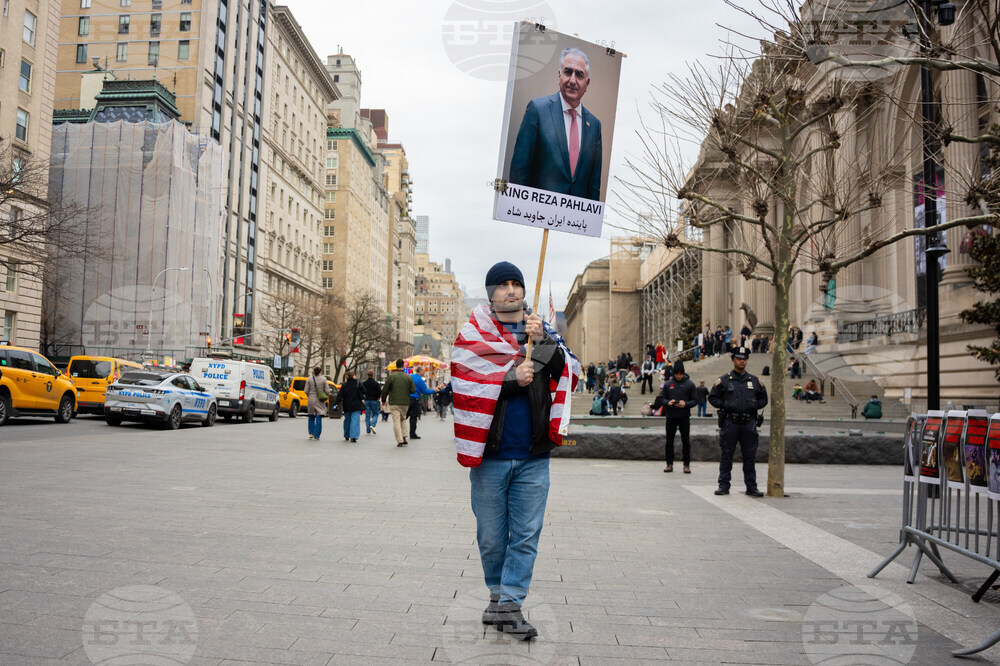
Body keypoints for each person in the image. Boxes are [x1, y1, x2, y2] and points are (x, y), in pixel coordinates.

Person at [451, 261, 579, 641]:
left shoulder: (540, 331)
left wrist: (545, 343)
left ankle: (510, 602)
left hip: (533, 456)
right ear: (490, 293)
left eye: (516, 284)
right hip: (491, 454)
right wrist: (510, 379)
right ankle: (496, 595)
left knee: (525, 534)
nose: (511, 290)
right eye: (503, 285)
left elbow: (570, 372)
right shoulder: (473, 333)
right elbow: (464, 378)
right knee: (491, 535)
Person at [508, 48, 602, 201]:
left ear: (587, 83)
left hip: (574, 220)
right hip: (536, 215)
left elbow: (593, 185)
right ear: (559, 75)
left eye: (579, 75)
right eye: (567, 72)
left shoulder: (594, 125)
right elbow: (520, 171)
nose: (572, 80)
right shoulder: (537, 110)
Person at [708, 346, 768, 497]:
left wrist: (754, 405)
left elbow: (764, 398)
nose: (742, 362)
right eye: (739, 359)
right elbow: (712, 397)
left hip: (748, 423)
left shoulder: (754, 381)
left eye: (744, 359)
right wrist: (726, 405)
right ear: (733, 360)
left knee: (749, 456)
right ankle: (723, 485)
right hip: (731, 422)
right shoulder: (724, 380)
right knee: (726, 455)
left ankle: (751, 486)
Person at [652, 360, 697, 473]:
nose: (678, 376)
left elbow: (695, 400)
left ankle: (686, 464)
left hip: (684, 416)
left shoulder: (690, 384)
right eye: (676, 374)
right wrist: (669, 402)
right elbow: (661, 398)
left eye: (680, 374)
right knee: (669, 441)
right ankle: (669, 464)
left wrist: (685, 404)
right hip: (671, 416)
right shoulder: (668, 384)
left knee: (685, 440)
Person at [380, 359, 416, 447]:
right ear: (403, 366)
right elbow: (413, 390)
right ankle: (404, 437)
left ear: (396, 366)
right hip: (405, 402)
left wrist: (383, 400)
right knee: (403, 419)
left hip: (394, 402)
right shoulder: (408, 377)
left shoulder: (392, 377)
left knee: (396, 420)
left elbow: (385, 390)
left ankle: (399, 440)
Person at [408, 366, 440, 440]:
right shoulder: (420, 380)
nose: (424, 372)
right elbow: (425, 392)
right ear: (419, 371)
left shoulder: (410, 376)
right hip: (415, 399)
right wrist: (434, 390)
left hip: (407, 399)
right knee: (413, 417)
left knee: (404, 417)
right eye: (423, 371)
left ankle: (402, 433)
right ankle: (412, 434)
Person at [335, 370, 364, 442]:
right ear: (353, 376)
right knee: (355, 420)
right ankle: (353, 436)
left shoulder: (344, 385)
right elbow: (364, 390)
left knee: (347, 420)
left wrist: (336, 403)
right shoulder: (357, 383)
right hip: (356, 405)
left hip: (347, 405)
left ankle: (346, 434)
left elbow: (340, 395)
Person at [304, 367, 329, 440]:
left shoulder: (309, 379)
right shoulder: (324, 379)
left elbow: (305, 390)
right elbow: (327, 391)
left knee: (311, 416)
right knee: (318, 416)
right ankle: (317, 435)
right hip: (319, 400)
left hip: (311, 399)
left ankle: (311, 433)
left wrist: (310, 395)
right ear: (320, 372)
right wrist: (323, 395)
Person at [361, 369, 381, 435]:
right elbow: (379, 392)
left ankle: (368, 430)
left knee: (367, 415)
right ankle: (372, 424)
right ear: (373, 375)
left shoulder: (364, 383)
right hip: (374, 400)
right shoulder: (376, 383)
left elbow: (362, 391)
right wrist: (378, 397)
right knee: (376, 414)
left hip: (367, 400)